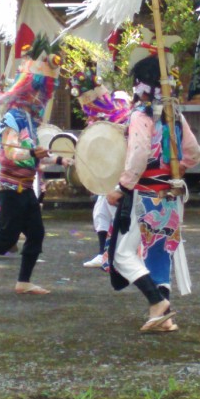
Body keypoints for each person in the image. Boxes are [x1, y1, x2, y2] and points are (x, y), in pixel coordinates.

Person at [0, 40, 69, 295]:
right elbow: (10, 153)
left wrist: (60, 160)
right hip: (10, 189)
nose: (43, 98)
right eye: (40, 92)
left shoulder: (29, 120)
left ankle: (23, 282)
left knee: (36, 234)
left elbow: (35, 156)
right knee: (6, 238)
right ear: (29, 89)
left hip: (25, 188)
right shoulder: (12, 118)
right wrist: (33, 152)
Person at [107, 54, 200, 331]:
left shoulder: (142, 115)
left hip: (146, 194)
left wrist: (122, 186)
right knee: (160, 254)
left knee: (122, 256)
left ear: (141, 84)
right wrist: (178, 168)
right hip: (171, 195)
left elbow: (138, 155)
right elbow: (194, 153)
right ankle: (164, 318)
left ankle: (157, 301)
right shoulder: (175, 115)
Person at [73, 72, 132, 266]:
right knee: (100, 212)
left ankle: (121, 254)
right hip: (107, 172)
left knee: (116, 212)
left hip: (122, 172)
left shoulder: (126, 118)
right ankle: (103, 253)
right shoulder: (98, 121)